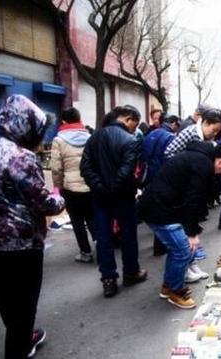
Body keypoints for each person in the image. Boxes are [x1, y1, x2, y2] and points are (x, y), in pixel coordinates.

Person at [0, 95, 65, 358]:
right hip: (20, 245)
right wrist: (60, 198)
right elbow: (43, 203)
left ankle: (20, 335)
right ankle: (19, 347)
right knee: (24, 305)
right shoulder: (20, 157)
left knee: (7, 301)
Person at [138, 143, 221, 309]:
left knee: (178, 250)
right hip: (160, 209)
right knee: (183, 251)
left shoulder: (197, 157)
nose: (220, 173)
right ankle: (176, 291)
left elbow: (191, 199)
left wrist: (191, 229)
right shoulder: (203, 164)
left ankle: (168, 286)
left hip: (161, 206)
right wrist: (191, 232)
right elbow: (193, 200)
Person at [80, 105, 148, 298]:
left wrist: (100, 187)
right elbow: (127, 171)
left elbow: (85, 168)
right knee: (128, 236)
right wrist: (114, 188)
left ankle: (108, 279)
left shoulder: (94, 138)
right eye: (134, 124)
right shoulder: (129, 140)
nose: (135, 129)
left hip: (100, 197)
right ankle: (131, 272)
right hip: (123, 196)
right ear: (128, 119)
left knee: (103, 238)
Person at [50, 107, 95, 263]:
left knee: (76, 220)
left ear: (63, 121)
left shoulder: (59, 140)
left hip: (70, 187)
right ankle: (101, 246)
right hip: (90, 185)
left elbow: (56, 168)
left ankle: (85, 252)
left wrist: (58, 186)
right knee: (92, 217)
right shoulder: (90, 137)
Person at [141, 114, 180, 256]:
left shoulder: (151, 134)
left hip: (149, 175)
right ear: (173, 124)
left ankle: (158, 244)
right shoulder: (170, 137)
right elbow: (169, 158)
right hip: (162, 176)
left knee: (155, 208)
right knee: (162, 211)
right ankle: (161, 246)